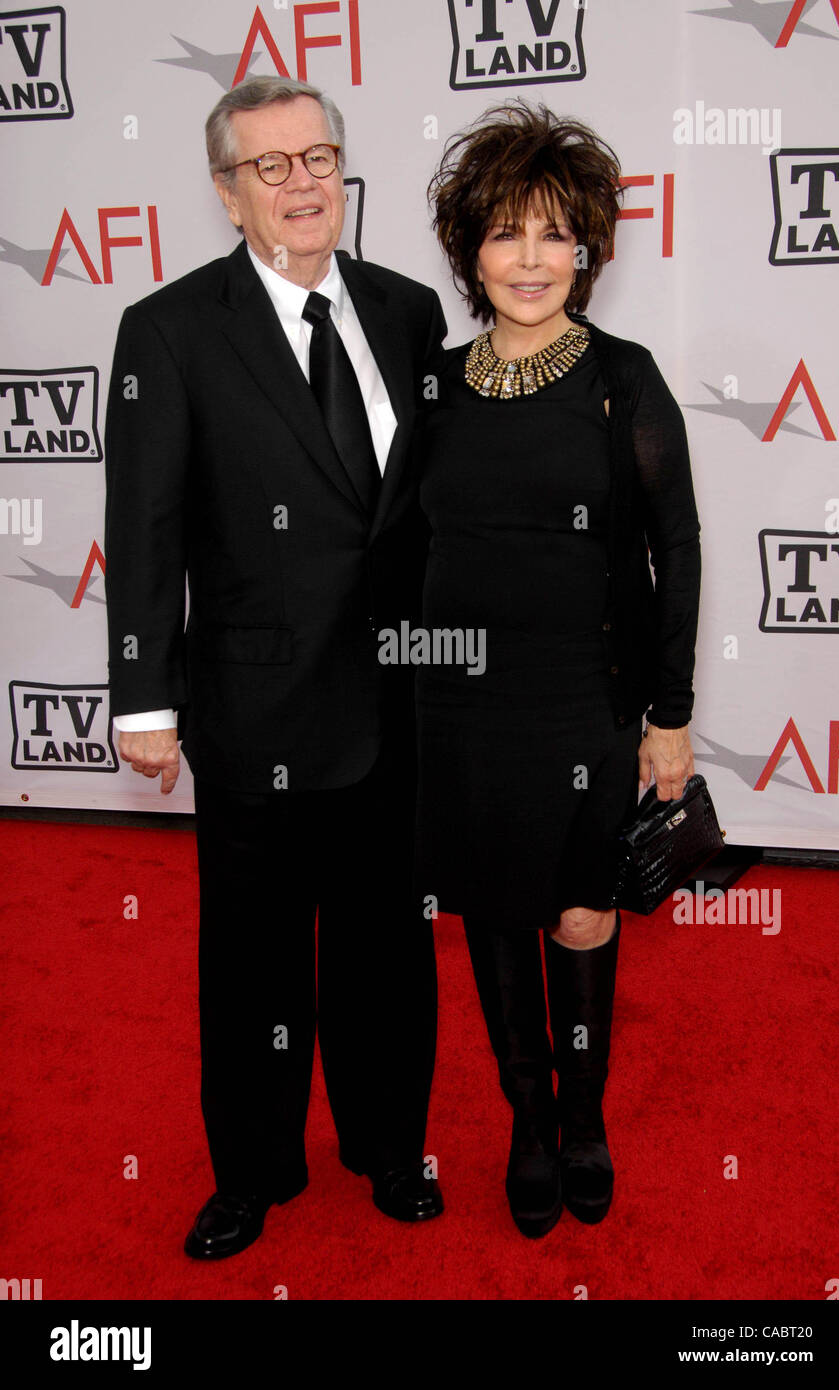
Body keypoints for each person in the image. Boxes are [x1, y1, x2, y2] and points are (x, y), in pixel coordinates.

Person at [104, 75, 447, 1259]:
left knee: (388, 944)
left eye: (320, 159)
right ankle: (251, 1171)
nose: (304, 184)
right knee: (253, 960)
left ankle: (389, 1146)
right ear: (225, 190)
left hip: (396, 697)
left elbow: (422, 515)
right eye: (272, 166)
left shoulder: (407, 313)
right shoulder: (170, 329)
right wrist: (144, 693)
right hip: (254, 701)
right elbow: (145, 523)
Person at [418, 101, 701, 1237]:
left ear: (585, 249)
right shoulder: (434, 385)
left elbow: (672, 547)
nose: (528, 259)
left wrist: (669, 713)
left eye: (551, 234)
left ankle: (582, 1119)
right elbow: (401, 548)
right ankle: (526, 1123)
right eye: (503, 233)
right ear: (468, 251)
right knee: (492, 914)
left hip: (583, 701)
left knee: (581, 913)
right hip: (459, 708)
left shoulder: (620, 378)